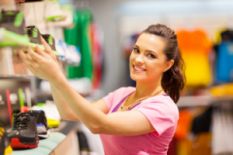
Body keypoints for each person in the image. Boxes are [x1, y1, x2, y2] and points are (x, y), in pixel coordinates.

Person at [19, 24, 185, 155]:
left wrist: (57, 76)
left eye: (151, 55)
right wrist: (53, 71)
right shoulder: (122, 95)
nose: (138, 59)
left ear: (167, 64)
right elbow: (69, 113)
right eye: (136, 50)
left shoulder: (163, 108)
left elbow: (98, 124)